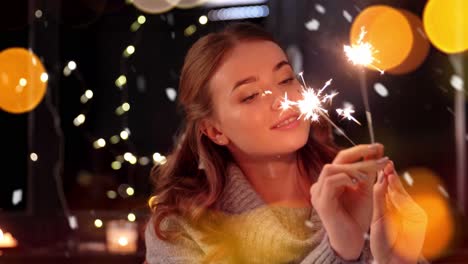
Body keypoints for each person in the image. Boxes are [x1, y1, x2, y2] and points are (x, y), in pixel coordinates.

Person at [145, 22, 428, 263]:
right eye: (250, 95)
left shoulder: (359, 188)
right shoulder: (180, 229)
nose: (284, 100)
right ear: (214, 130)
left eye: (285, 79)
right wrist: (339, 250)